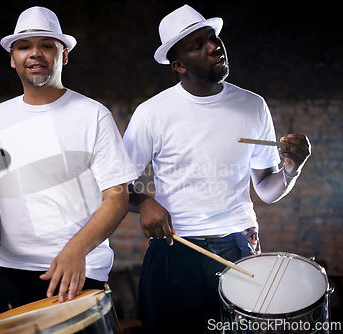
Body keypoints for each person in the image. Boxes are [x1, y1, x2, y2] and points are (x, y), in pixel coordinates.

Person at [122, 4, 311, 333]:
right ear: (178, 65)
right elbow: (115, 184)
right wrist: (143, 202)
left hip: (238, 243)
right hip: (176, 246)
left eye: (213, 38)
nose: (214, 46)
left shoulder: (252, 105)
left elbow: (265, 188)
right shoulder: (152, 113)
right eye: (199, 45)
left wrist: (291, 169)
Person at [0, 6, 137, 323]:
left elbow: (118, 198)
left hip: (75, 268)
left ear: (64, 55)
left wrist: (76, 250)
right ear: (12, 57)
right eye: (25, 46)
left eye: (46, 45)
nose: (35, 54)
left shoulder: (93, 115)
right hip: (10, 267)